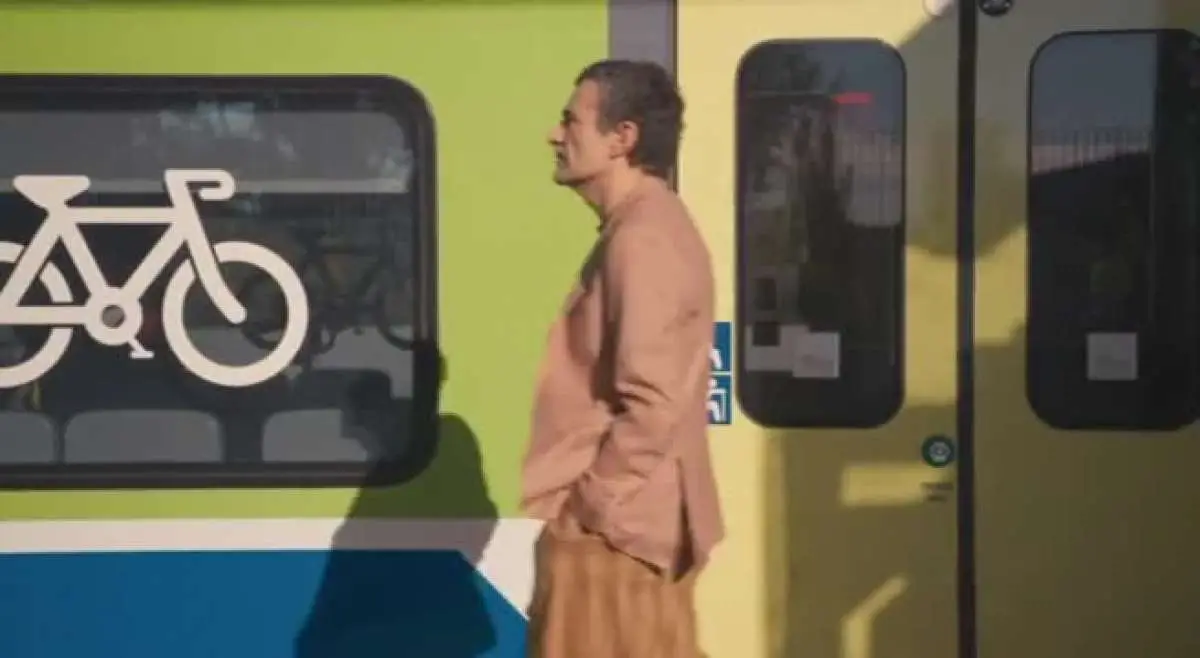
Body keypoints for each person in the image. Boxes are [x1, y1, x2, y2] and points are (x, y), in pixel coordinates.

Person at [520, 59, 724, 658]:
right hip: (629, 528)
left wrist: (590, 506)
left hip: (618, 537)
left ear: (622, 138)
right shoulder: (645, 226)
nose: (555, 135)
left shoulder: (642, 238)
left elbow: (652, 402)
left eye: (570, 121)